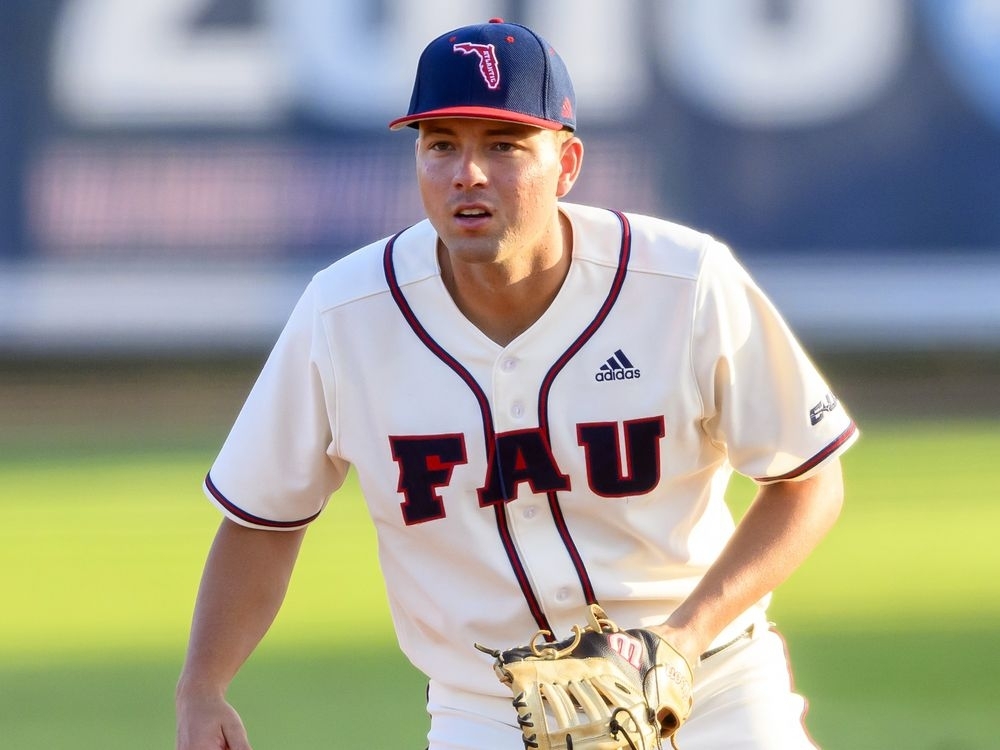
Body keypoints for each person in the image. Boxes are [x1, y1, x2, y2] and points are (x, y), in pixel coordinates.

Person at [176, 17, 858, 750]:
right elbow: (263, 518)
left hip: (712, 688)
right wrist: (203, 687)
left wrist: (683, 642)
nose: (467, 173)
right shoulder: (345, 315)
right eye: (442, 146)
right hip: (492, 710)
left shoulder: (682, 281)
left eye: (502, 145)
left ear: (566, 164)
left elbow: (808, 479)